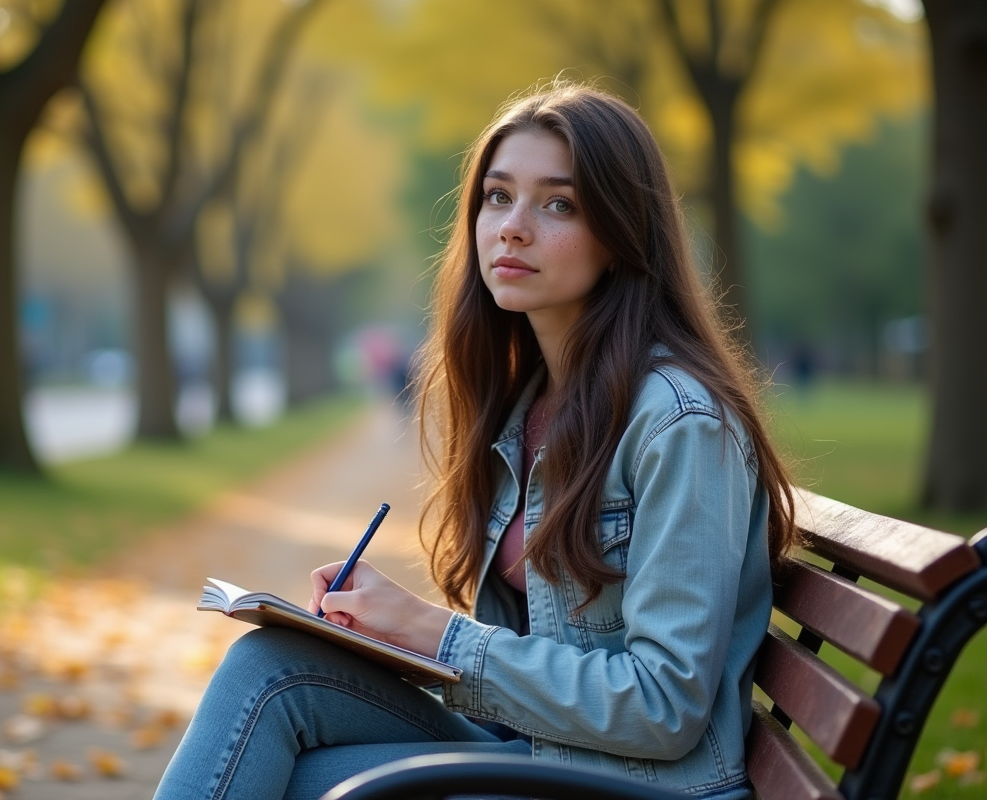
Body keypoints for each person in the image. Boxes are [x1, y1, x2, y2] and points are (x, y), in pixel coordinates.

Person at [153, 82, 797, 800]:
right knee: (268, 667)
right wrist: (388, 629)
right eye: (498, 196)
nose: (512, 227)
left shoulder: (680, 424)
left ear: (621, 233)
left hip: (637, 785)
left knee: (300, 782)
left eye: (559, 203)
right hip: (546, 754)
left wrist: (433, 631)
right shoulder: (533, 404)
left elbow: (664, 704)